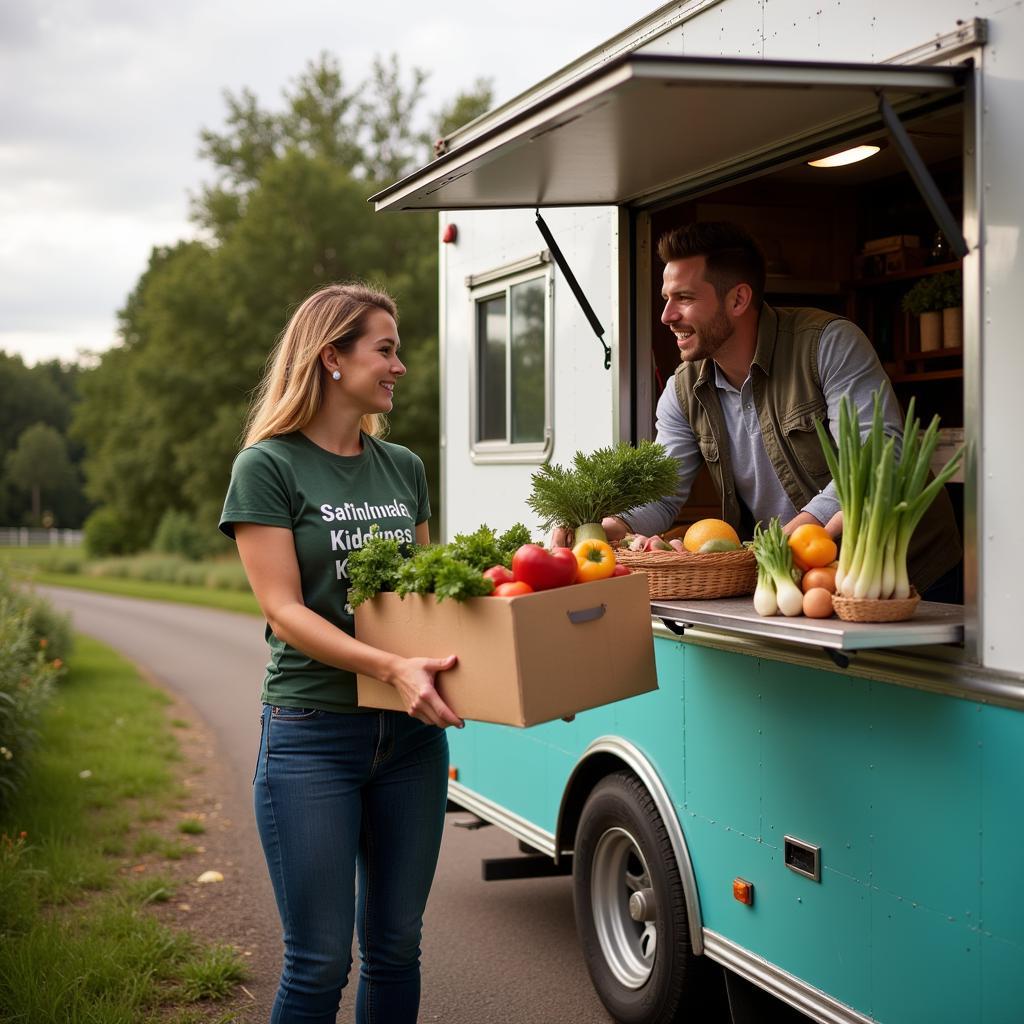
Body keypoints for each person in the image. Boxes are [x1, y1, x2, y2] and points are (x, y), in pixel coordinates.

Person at [219, 282, 462, 1024]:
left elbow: (427, 597)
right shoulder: (268, 467)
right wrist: (388, 666)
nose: (401, 366)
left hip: (411, 741)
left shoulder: (405, 468)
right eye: (385, 349)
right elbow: (283, 610)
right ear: (332, 357)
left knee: (397, 945)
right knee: (319, 961)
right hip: (312, 736)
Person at [563, 221, 962, 600]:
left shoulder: (827, 344)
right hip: (802, 577)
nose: (667, 316)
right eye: (666, 299)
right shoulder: (683, 391)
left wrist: (783, 540)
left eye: (683, 298)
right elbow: (662, 495)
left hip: (909, 574)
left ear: (738, 298)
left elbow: (875, 462)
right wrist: (602, 531)